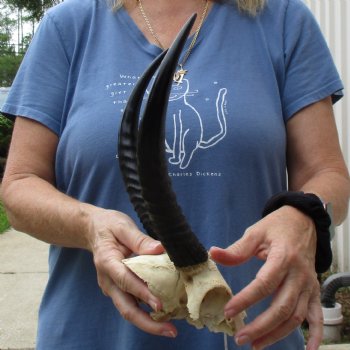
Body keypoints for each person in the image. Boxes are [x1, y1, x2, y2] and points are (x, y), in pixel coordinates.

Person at [1, 0, 350, 349]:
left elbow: (327, 173)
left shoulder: (284, 19)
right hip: (94, 336)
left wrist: (304, 216)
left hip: (252, 334)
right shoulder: (69, 26)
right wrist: (89, 226)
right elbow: (20, 186)